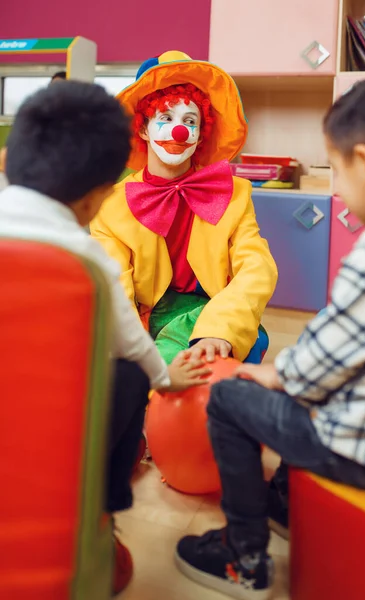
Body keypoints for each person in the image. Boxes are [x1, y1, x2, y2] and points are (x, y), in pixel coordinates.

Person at [175, 72, 365, 600]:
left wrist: (276, 373)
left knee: (234, 397)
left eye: (338, 172)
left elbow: (322, 359)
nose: (338, 190)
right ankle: (284, 504)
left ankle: (243, 555)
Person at [0, 80, 210, 595]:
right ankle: (104, 512)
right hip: (54, 430)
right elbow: (133, 345)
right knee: (125, 378)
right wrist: (166, 377)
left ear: (9, 158)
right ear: (97, 198)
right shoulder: (86, 260)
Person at [91, 50, 278, 367]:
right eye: (165, 118)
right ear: (143, 129)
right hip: (144, 318)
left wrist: (220, 329)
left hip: (212, 310)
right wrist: (130, 351)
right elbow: (113, 286)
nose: (179, 131)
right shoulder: (112, 204)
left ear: (199, 133)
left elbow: (256, 268)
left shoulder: (233, 194)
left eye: (189, 121)